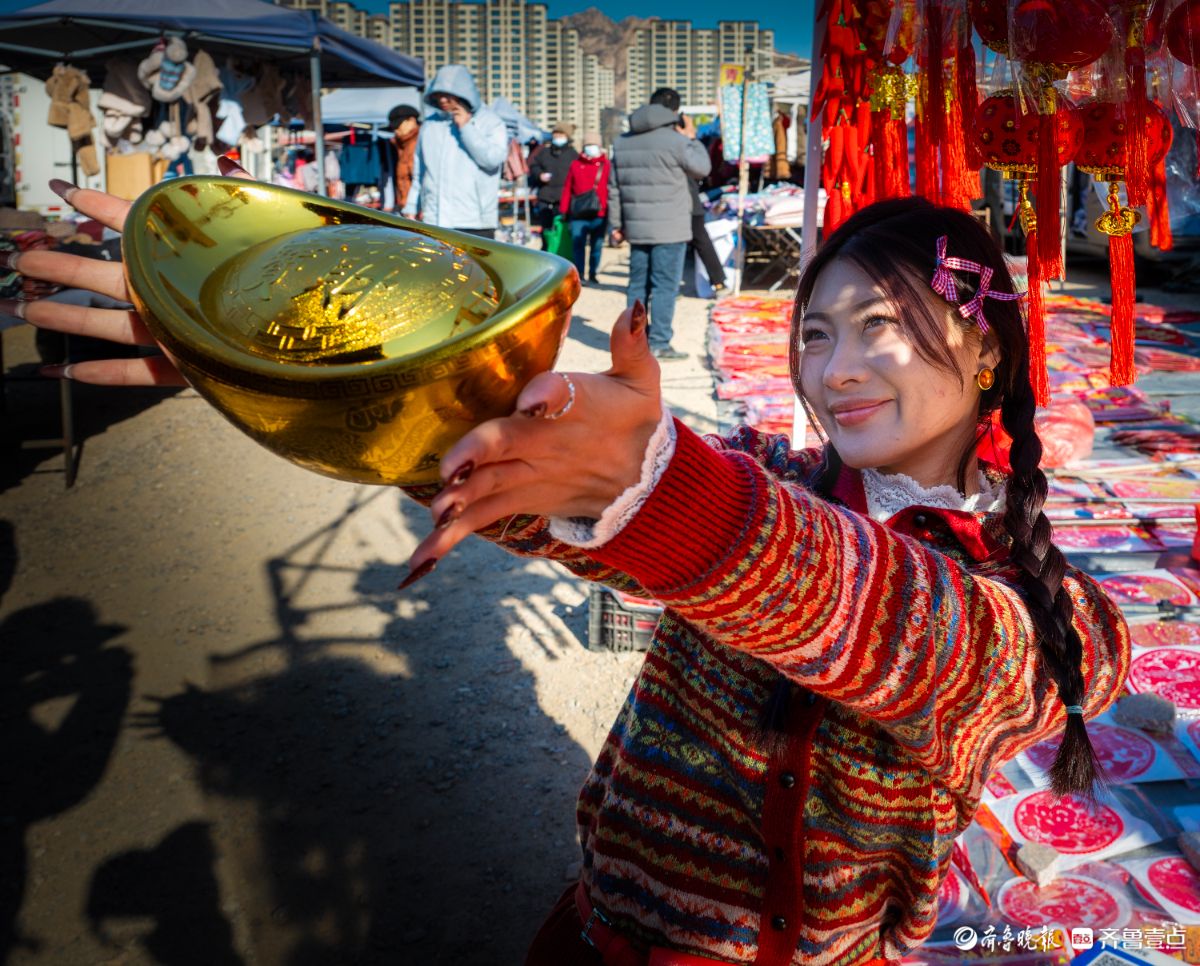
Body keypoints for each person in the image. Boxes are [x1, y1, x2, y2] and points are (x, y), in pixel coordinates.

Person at [19, 178, 1129, 965]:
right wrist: (291, 355)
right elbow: (561, 494)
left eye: (880, 326)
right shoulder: (773, 480)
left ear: (985, 349)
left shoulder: (1058, 617)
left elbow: (901, 628)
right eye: (816, 332)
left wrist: (655, 487)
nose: (833, 370)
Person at [607, 87, 711, 361]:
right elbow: (703, 168)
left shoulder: (622, 142)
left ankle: (633, 342)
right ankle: (660, 342)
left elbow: (614, 188)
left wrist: (616, 224)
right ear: (674, 112)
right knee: (665, 285)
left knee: (637, 285)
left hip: (637, 227)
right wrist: (692, 138)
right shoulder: (676, 142)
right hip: (671, 228)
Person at [401, 64, 507, 237]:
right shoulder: (430, 125)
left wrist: (466, 128)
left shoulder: (490, 122)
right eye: (438, 95)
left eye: (448, 95)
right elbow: (420, 171)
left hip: (475, 221)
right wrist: (412, 206)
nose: (442, 100)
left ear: (463, 92)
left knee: (474, 266)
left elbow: (492, 160)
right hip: (434, 219)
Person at [559, 131, 608, 285]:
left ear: (599, 146)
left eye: (593, 145)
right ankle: (580, 273)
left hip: (599, 212)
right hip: (579, 213)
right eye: (587, 145)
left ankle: (593, 273)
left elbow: (612, 189)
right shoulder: (575, 164)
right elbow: (568, 188)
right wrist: (564, 210)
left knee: (597, 246)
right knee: (578, 246)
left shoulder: (606, 165)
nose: (590, 148)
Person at [528, 122, 578, 251]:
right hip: (545, 197)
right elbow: (533, 166)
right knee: (546, 231)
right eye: (556, 134)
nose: (558, 137)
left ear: (567, 136)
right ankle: (546, 252)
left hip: (564, 200)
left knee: (562, 231)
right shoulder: (544, 152)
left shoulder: (573, 154)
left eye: (561, 134)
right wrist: (539, 175)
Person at [384, 103, 420, 214]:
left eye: (399, 125)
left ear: (412, 120)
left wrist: (413, 207)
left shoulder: (419, 142)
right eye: (394, 127)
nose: (396, 130)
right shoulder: (401, 146)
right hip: (407, 208)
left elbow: (418, 179)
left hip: (416, 209)